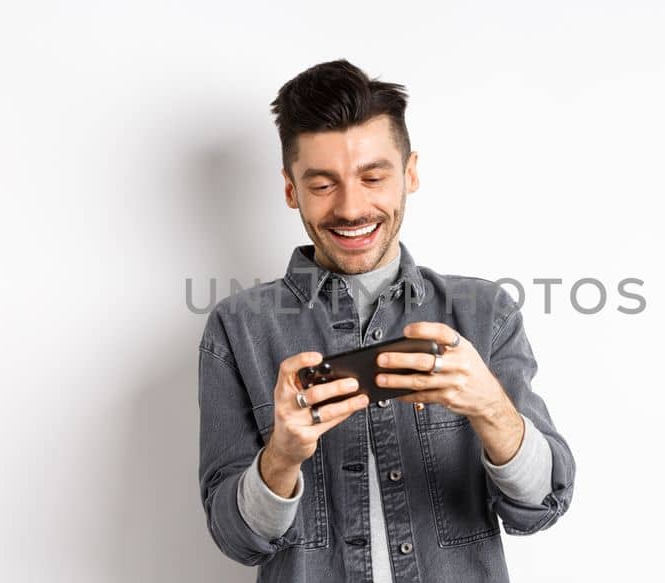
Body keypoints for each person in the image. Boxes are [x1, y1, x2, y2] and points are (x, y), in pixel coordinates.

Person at [197, 59, 575, 582]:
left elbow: (540, 505)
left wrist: (492, 409)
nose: (352, 208)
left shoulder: (485, 313)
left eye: (373, 177)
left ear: (410, 174)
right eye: (323, 185)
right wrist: (281, 457)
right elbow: (235, 539)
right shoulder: (236, 329)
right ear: (290, 190)